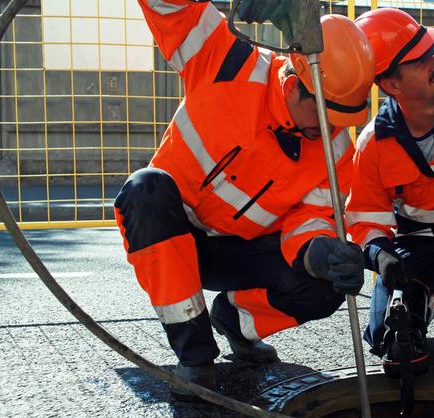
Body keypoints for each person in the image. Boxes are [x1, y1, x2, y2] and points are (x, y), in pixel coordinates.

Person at [114, 0, 374, 396]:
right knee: (143, 189)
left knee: (323, 288)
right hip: (176, 236)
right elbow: (167, 6)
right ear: (293, 84)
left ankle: (233, 321)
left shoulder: (336, 150)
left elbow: (312, 220)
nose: (332, 129)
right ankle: (196, 357)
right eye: (325, 115)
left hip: (242, 254)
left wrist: (320, 252)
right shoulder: (227, 60)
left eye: (342, 120)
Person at [346, 8, 434, 375]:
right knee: (381, 336)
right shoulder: (373, 143)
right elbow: (365, 221)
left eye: (432, 51)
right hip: (421, 238)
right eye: (420, 59)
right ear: (391, 85)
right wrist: (381, 257)